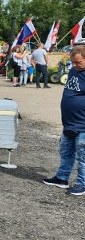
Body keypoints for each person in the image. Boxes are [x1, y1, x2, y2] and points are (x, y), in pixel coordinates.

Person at [43, 44, 85, 195]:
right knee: (66, 151)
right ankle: (62, 178)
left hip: (82, 124)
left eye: (78, 62)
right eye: (73, 62)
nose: (74, 65)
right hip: (69, 122)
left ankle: (82, 183)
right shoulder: (74, 71)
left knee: (83, 156)